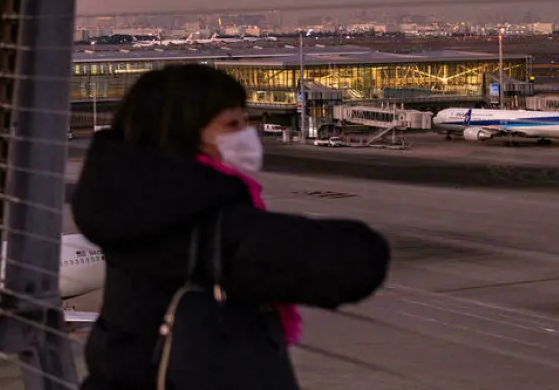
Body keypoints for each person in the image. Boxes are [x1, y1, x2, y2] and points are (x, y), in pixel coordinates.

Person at [72, 64, 391, 389]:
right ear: (186, 133)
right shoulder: (194, 218)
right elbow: (352, 263)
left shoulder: (130, 199)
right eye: (232, 125)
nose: (247, 135)